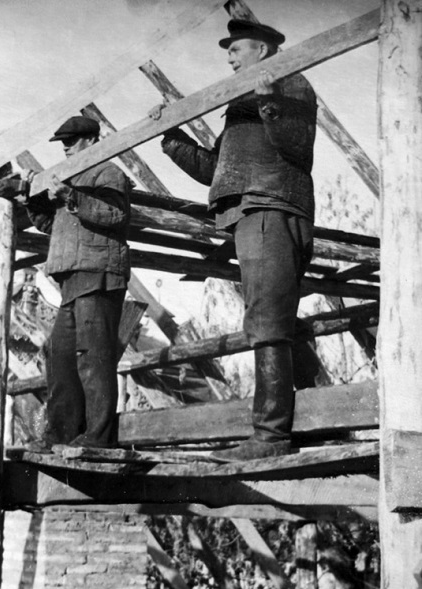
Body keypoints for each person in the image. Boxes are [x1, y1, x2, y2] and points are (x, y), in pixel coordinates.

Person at [150, 19, 317, 461]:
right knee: (273, 314)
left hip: (271, 206)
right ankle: (312, 423)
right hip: (251, 210)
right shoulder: (243, 100)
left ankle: (270, 437)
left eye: (236, 48)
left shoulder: (291, 83)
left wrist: (270, 102)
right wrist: (172, 137)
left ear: (262, 50)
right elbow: (215, 170)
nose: (229, 57)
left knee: (268, 319)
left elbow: (299, 146)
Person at [22, 116, 131, 452]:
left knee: (93, 357)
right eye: (64, 142)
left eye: (72, 140)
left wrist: (71, 195)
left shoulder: (107, 173)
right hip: (72, 280)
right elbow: (52, 226)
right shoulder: (71, 178)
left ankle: (98, 438)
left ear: (92, 140)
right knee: (60, 357)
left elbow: (115, 214)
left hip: (98, 275)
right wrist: (33, 199)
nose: (66, 147)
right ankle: (60, 435)